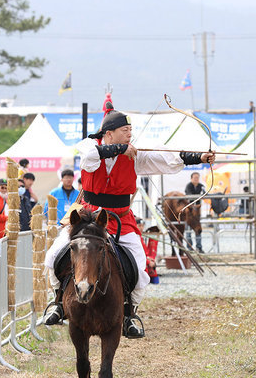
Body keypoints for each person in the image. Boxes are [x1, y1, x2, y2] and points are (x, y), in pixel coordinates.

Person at [43, 109, 215, 338]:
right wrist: (121, 149)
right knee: (54, 255)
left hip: (120, 219)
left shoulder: (134, 154)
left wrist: (198, 158)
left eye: (130, 131)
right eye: (125, 131)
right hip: (89, 217)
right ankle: (57, 302)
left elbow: (164, 159)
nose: (129, 135)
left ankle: (129, 314)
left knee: (141, 268)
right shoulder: (88, 145)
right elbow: (90, 158)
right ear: (109, 133)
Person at [184, 172, 205, 252]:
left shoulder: (201, 186)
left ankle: (199, 247)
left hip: (197, 211)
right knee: (188, 230)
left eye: (197, 178)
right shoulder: (188, 186)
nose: (196, 179)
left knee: (198, 229)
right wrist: (198, 197)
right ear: (191, 178)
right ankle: (189, 247)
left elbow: (205, 193)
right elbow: (190, 196)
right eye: (195, 177)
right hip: (190, 211)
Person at [137, 218, 159, 285]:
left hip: (145, 259)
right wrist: (148, 261)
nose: (141, 228)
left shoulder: (140, 237)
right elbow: (138, 254)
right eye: (139, 226)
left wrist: (150, 259)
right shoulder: (135, 237)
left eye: (142, 226)